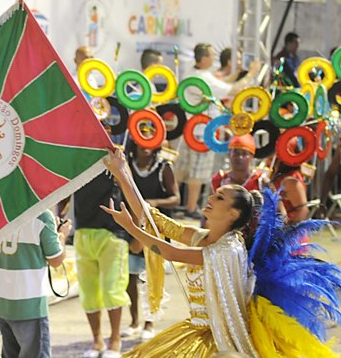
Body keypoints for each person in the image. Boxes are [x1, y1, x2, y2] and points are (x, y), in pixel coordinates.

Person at [102, 148, 341, 357]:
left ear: (233, 214)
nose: (210, 198)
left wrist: (131, 228)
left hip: (220, 341)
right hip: (194, 330)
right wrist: (122, 173)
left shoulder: (228, 248)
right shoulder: (202, 237)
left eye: (219, 197)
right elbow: (154, 220)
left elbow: (172, 253)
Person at [175, 43, 261, 219]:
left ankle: (176, 204)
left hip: (190, 129)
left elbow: (219, 85)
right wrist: (252, 73)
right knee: (197, 172)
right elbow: (231, 90)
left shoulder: (193, 74)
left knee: (182, 169)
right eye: (212, 55)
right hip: (203, 132)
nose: (214, 59)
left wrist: (234, 76)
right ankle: (191, 208)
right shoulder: (204, 78)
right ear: (205, 58)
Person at [73, 125, 130, 358]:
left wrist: (137, 231)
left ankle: (115, 340)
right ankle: (97, 340)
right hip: (83, 230)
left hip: (112, 232)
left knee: (112, 288)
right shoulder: (77, 158)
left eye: (103, 130)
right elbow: (66, 191)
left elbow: (131, 191)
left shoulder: (116, 157)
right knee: (88, 291)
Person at [0, 210, 72, 358]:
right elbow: (55, 259)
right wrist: (62, 236)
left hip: (2, 300)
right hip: (29, 303)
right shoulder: (42, 215)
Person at [122, 134, 179, 341]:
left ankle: (149, 322)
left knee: (153, 275)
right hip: (132, 225)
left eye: (150, 140)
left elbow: (175, 198)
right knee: (129, 276)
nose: (145, 146)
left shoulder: (164, 167)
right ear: (134, 141)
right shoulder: (126, 165)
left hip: (156, 229)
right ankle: (134, 320)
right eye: (141, 139)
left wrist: (153, 203)